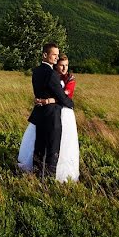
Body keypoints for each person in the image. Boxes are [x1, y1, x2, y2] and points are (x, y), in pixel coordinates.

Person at [17, 43, 73, 178]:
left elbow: (40, 92)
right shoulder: (52, 74)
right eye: (54, 54)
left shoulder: (36, 71)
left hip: (39, 113)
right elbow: (61, 96)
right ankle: (49, 178)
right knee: (53, 148)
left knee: (39, 146)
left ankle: (36, 173)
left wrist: (45, 100)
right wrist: (70, 104)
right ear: (45, 55)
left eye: (57, 55)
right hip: (52, 115)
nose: (56, 57)